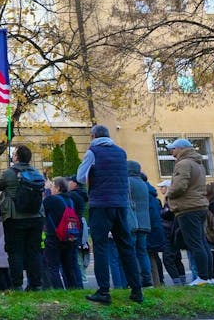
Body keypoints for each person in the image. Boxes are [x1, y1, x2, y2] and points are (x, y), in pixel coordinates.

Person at [76, 124, 143, 304]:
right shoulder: (121, 152)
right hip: (121, 204)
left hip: (101, 204)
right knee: (126, 246)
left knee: (100, 247)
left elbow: (80, 177)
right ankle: (137, 290)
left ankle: (104, 292)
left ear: (93, 136)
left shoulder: (93, 151)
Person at [0, 144, 44, 292]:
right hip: (36, 217)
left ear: (16, 157)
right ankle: (35, 285)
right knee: (34, 251)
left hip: (15, 217)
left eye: (14, 154)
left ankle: (17, 285)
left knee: (15, 251)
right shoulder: (37, 172)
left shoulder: (9, 173)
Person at [164, 138, 214, 285]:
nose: (171, 152)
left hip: (188, 208)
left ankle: (202, 278)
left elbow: (180, 186)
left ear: (181, 149)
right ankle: (209, 277)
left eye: (173, 149)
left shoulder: (183, 163)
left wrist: (168, 194)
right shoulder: (198, 164)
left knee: (195, 243)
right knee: (202, 243)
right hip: (199, 206)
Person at [42, 177, 82, 290]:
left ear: (58, 188)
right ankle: (73, 289)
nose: (51, 188)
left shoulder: (52, 200)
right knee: (68, 267)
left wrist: (46, 190)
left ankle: (58, 290)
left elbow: (41, 208)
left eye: (53, 186)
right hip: (69, 236)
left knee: (53, 267)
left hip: (54, 238)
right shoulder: (70, 200)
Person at [127, 161, 152, 288]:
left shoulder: (128, 182)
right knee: (142, 252)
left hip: (132, 222)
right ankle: (147, 279)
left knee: (131, 252)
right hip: (144, 222)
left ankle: (135, 280)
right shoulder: (143, 183)